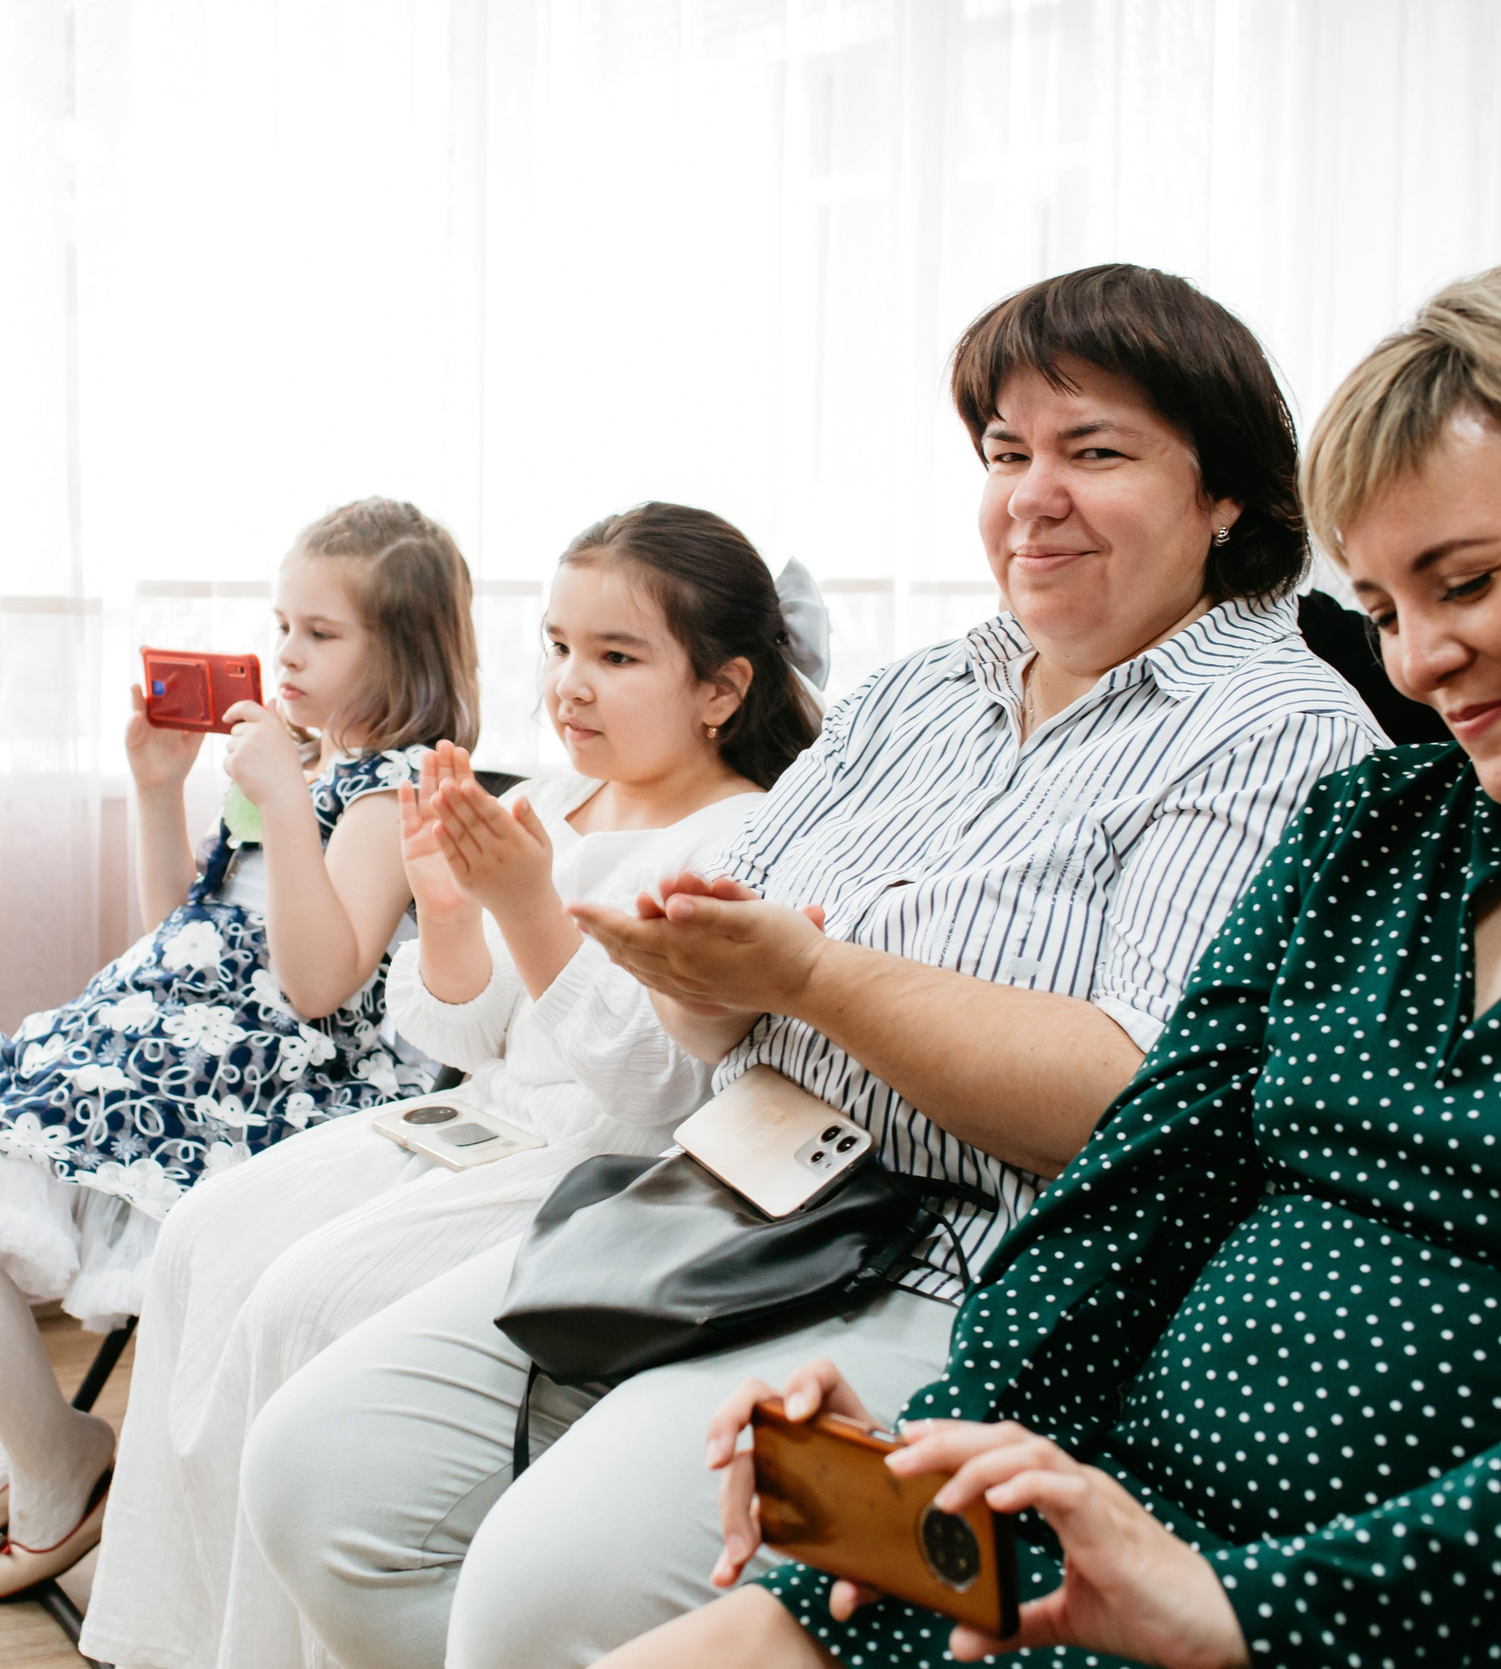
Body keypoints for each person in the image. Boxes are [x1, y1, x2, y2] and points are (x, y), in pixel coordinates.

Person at [600, 261, 1501, 1669]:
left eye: (1464, 582)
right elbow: (1133, 1196)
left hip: (1484, 1611)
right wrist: (954, 1448)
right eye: (1382, 605)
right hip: (1140, 1531)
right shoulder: (1373, 827)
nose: (1417, 662)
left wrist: (1242, 1608)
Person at [235, 265, 1386, 1669]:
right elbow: (716, 1011)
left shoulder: (1281, 730)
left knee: (543, 1593)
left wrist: (811, 980)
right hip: (718, 1199)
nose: (1033, 494)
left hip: (954, 1268)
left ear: (1227, 496)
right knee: (316, 1474)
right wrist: (698, 968)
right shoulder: (921, 689)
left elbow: (1127, 1101)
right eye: (1008, 452)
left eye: (1096, 451)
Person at [78, 504, 822, 1668]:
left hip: (589, 1163)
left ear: (721, 690)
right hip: (473, 1119)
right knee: (204, 1238)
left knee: (305, 1303)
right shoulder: (550, 805)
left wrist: (524, 906)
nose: (570, 685)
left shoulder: (739, 837)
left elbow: (648, 1083)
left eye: (616, 658)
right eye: (561, 648)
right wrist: (453, 912)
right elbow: (461, 1030)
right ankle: (176, 1636)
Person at [0, 497, 478, 1600]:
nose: (285, 654)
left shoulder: (387, 787)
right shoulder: (302, 764)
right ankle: (39, 1444)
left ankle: (53, 1466)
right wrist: (157, 789)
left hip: (257, 1083)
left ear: (403, 651)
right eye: (282, 626)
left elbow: (318, 987)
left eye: (321, 634)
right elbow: (183, 923)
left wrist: (280, 793)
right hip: (149, 1040)